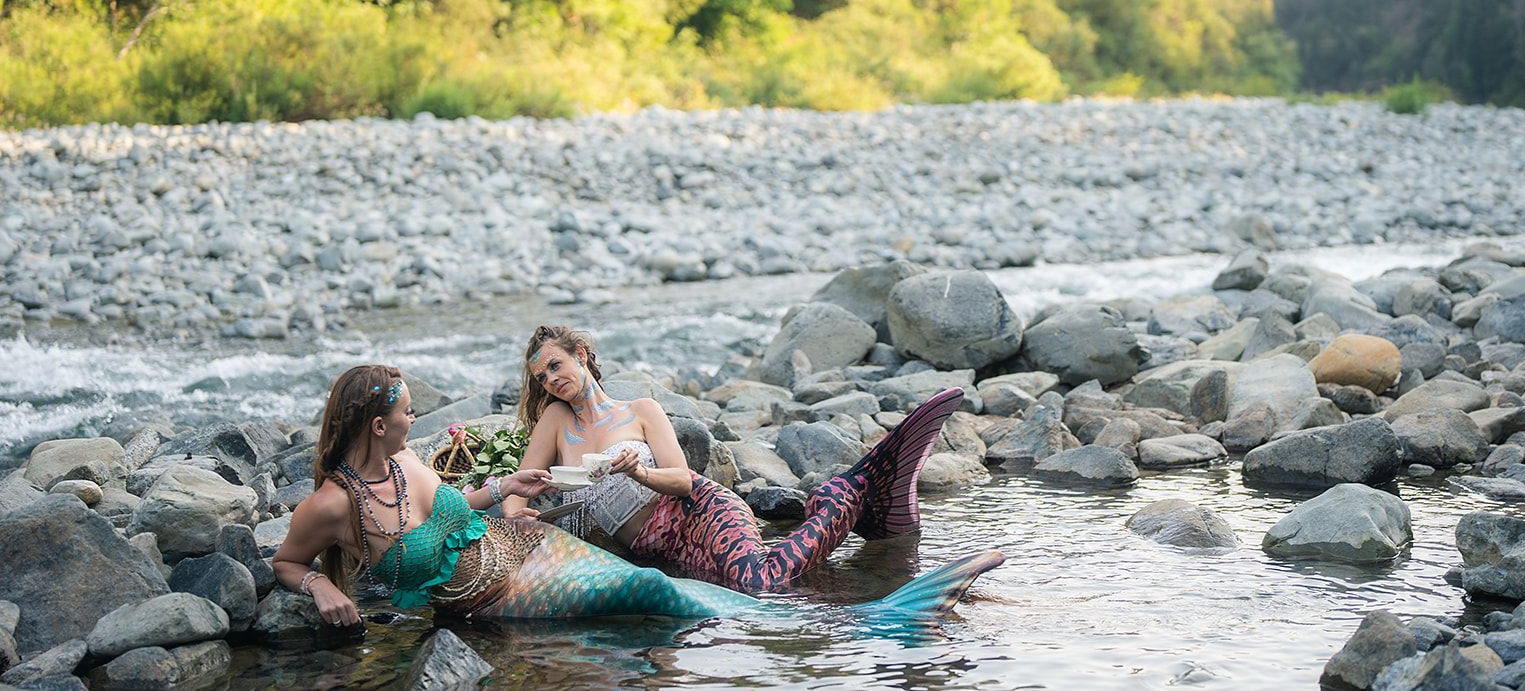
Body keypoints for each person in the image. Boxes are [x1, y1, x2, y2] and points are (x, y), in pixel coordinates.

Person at [272, 363, 1000, 624]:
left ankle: (864, 601)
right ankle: (866, 602)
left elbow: (469, 495)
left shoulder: (408, 469)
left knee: (688, 584)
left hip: (551, 544)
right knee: (665, 592)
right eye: (404, 411)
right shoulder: (332, 504)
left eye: (558, 366)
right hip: (497, 595)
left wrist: (506, 487)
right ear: (378, 422)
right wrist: (317, 587)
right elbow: (287, 559)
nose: (413, 417)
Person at [501, 325, 961, 593]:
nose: (551, 379)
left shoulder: (641, 410)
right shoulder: (556, 421)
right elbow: (518, 492)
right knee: (743, 589)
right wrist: (522, 518)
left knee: (759, 582)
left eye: (556, 366)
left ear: (580, 356)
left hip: (697, 511)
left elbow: (682, 480)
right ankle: (841, 517)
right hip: (661, 548)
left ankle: (844, 495)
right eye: (541, 376)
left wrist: (638, 470)